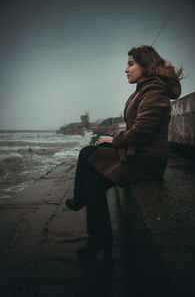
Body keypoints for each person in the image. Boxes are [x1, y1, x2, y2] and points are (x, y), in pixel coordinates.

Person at [65, 45, 182, 259]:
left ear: (145, 65)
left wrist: (113, 140)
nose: (126, 70)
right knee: (92, 180)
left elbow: (142, 131)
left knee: (86, 153)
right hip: (138, 155)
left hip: (147, 161)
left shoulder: (153, 89)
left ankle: (79, 200)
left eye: (130, 64)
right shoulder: (144, 88)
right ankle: (100, 239)